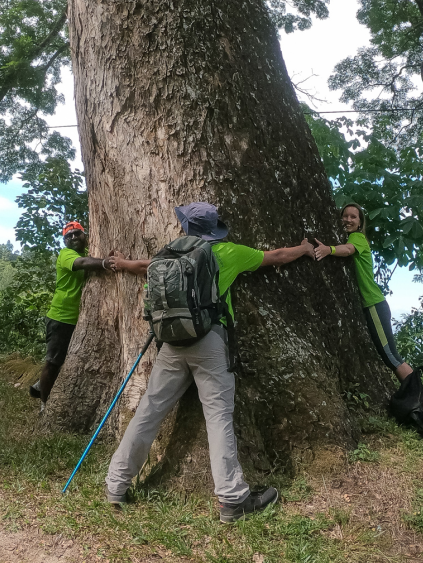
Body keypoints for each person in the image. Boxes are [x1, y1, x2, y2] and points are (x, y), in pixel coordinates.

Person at [104, 202, 315, 523]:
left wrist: (121, 263)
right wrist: (303, 247)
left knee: (149, 411)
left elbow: (143, 266)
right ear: (214, 229)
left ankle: (116, 485)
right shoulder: (228, 252)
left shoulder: (169, 254)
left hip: (172, 342)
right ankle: (232, 499)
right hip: (209, 341)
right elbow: (276, 257)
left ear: (187, 229)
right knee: (217, 416)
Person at [312, 203, 413, 382]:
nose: (348, 220)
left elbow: (348, 250)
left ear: (360, 223)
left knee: (392, 358)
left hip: (374, 304)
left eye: (353, 217)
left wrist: (329, 249)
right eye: (345, 216)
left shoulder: (357, 237)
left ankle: (421, 401)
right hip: (373, 305)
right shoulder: (352, 237)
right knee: (390, 356)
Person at [30, 221, 115, 411]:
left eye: (77, 233)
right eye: (69, 236)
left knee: (68, 358)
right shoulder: (66, 255)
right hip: (61, 318)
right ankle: (44, 404)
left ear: (85, 236)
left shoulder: (84, 253)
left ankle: (39, 385)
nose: (74, 237)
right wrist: (105, 263)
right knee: (53, 363)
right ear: (65, 241)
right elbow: (82, 263)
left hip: (75, 320)